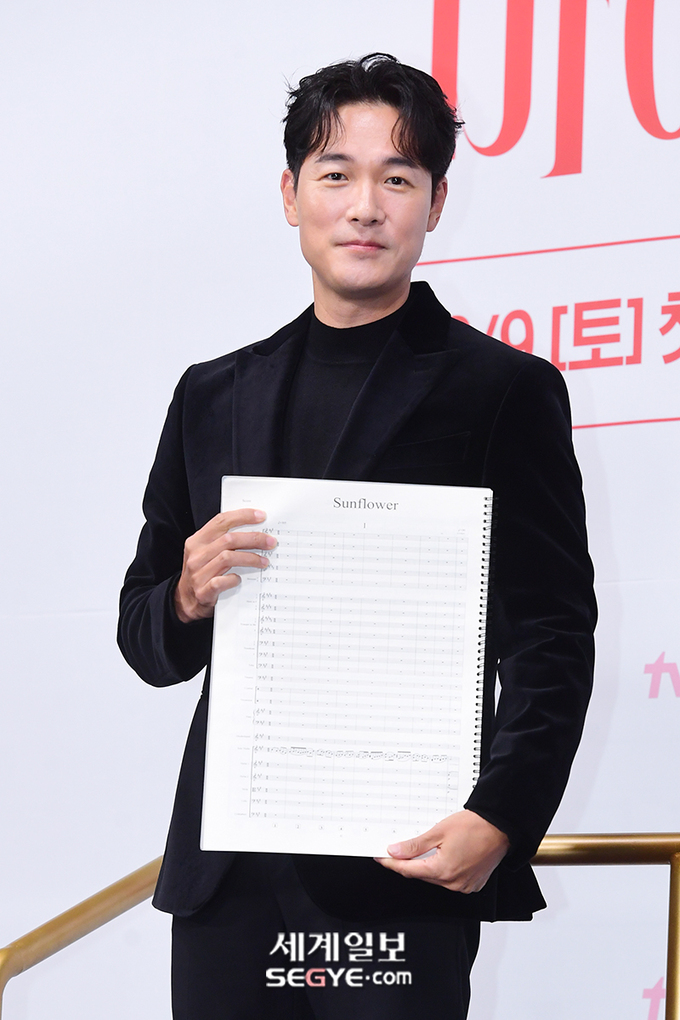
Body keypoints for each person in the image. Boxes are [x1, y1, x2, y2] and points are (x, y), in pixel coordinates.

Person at [118, 53, 596, 1020]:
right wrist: (185, 598)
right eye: (336, 174)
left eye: (399, 179)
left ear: (437, 202)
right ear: (291, 194)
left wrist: (500, 817)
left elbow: (551, 637)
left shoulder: (502, 391)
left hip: (403, 869)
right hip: (230, 878)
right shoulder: (212, 395)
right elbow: (145, 640)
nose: (365, 207)